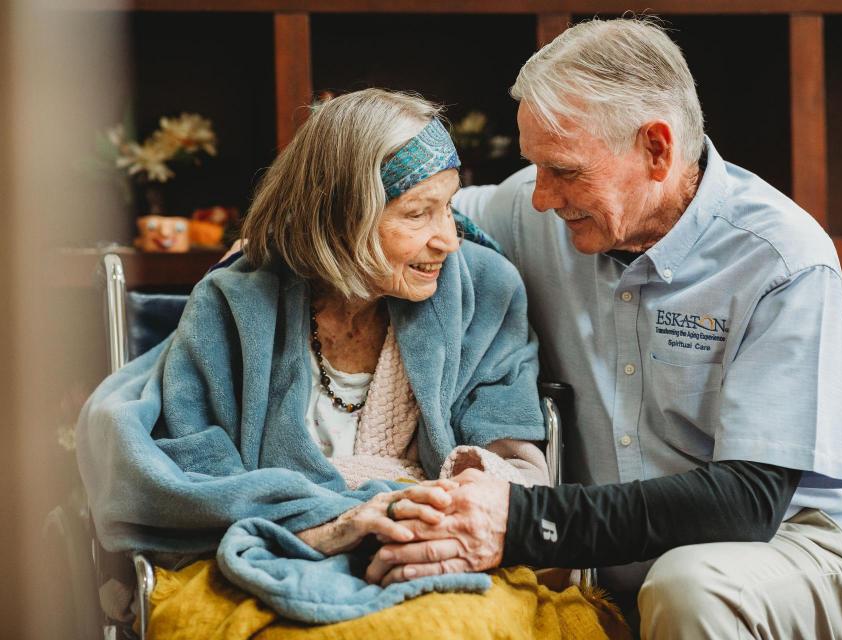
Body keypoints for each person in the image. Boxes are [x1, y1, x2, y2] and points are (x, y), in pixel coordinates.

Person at [365, 18, 842, 638]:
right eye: (533, 167)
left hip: (788, 547)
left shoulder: (781, 258)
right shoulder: (548, 212)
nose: (539, 197)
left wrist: (519, 520)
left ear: (657, 149)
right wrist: (281, 244)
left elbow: (748, 500)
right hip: (604, 564)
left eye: (563, 170)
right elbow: (403, 215)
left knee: (690, 586)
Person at [76, 89, 593, 632]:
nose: (448, 239)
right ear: (340, 218)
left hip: (430, 546)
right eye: (418, 213)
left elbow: (514, 467)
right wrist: (331, 519)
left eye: (449, 207)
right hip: (272, 546)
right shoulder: (234, 303)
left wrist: (428, 507)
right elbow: (192, 466)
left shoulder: (485, 293)